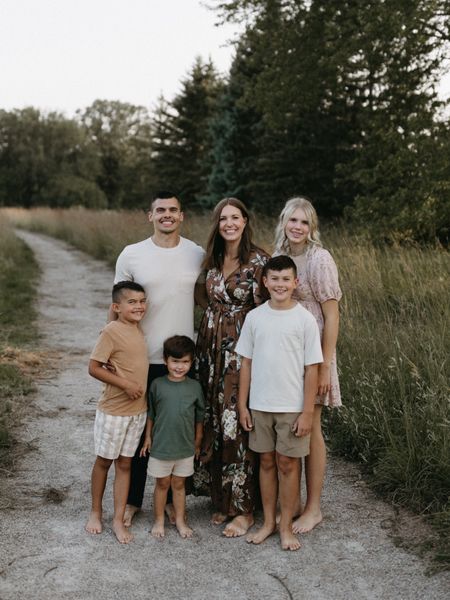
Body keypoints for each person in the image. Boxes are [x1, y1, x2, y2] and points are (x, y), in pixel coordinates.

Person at [112, 191, 205, 526]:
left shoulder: (196, 253)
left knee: (177, 429)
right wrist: (113, 354)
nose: (167, 215)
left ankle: (172, 498)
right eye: (160, 210)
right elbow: (117, 307)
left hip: (181, 358)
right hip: (141, 356)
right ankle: (134, 500)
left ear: (182, 215)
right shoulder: (132, 254)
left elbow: (208, 298)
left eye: (174, 210)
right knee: (139, 432)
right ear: (149, 215)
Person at [194, 197, 269, 537]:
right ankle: (221, 499)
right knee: (212, 418)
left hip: (241, 353)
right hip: (209, 351)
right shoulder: (211, 259)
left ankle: (245, 508)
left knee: (236, 424)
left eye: (235, 217)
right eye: (223, 218)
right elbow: (203, 298)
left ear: (245, 221)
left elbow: (271, 309)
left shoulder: (258, 261)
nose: (229, 223)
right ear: (217, 224)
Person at [236, 255, 323, 550]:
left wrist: (307, 411)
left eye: (286, 279)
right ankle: (269, 523)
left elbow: (313, 368)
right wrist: (242, 405)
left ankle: (287, 526)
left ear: (295, 282)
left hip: (291, 406)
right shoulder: (255, 317)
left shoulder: (304, 319)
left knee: (288, 463)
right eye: (274, 279)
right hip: (260, 404)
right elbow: (245, 363)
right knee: (266, 462)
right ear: (265, 281)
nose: (280, 284)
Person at [274, 196, 342, 533]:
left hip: (313, 354)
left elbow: (332, 315)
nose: (297, 227)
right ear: (283, 222)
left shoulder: (320, 259)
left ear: (312, 226)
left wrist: (326, 365)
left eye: (304, 222)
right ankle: (294, 503)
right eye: (292, 220)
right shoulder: (280, 259)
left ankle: (314, 507)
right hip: (284, 353)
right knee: (290, 425)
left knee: (312, 427)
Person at [85, 281, 148, 544]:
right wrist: (125, 384)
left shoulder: (138, 329)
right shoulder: (111, 331)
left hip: (137, 412)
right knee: (104, 461)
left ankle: (118, 518)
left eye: (142, 301)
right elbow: (94, 367)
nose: (139, 306)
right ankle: (96, 512)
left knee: (125, 464)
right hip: (114, 411)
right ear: (116, 307)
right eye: (132, 302)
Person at [140, 335, 205, 539]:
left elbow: (200, 417)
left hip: (185, 447)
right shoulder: (157, 385)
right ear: (165, 360)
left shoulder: (194, 387)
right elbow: (151, 413)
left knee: (179, 485)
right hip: (161, 447)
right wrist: (148, 438)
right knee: (162, 484)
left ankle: (180, 521)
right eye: (175, 361)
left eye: (185, 362)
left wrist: (198, 441)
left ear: (191, 362)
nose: (179, 367)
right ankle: (159, 520)